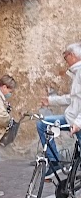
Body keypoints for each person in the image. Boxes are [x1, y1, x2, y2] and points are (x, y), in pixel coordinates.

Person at [37, 42, 81, 179]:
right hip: (71, 118)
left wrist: (78, 123)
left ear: (72, 55)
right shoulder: (76, 72)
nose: (65, 60)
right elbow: (73, 98)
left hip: (77, 121)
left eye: (65, 56)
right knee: (43, 124)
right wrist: (51, 100)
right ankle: (55, 161)